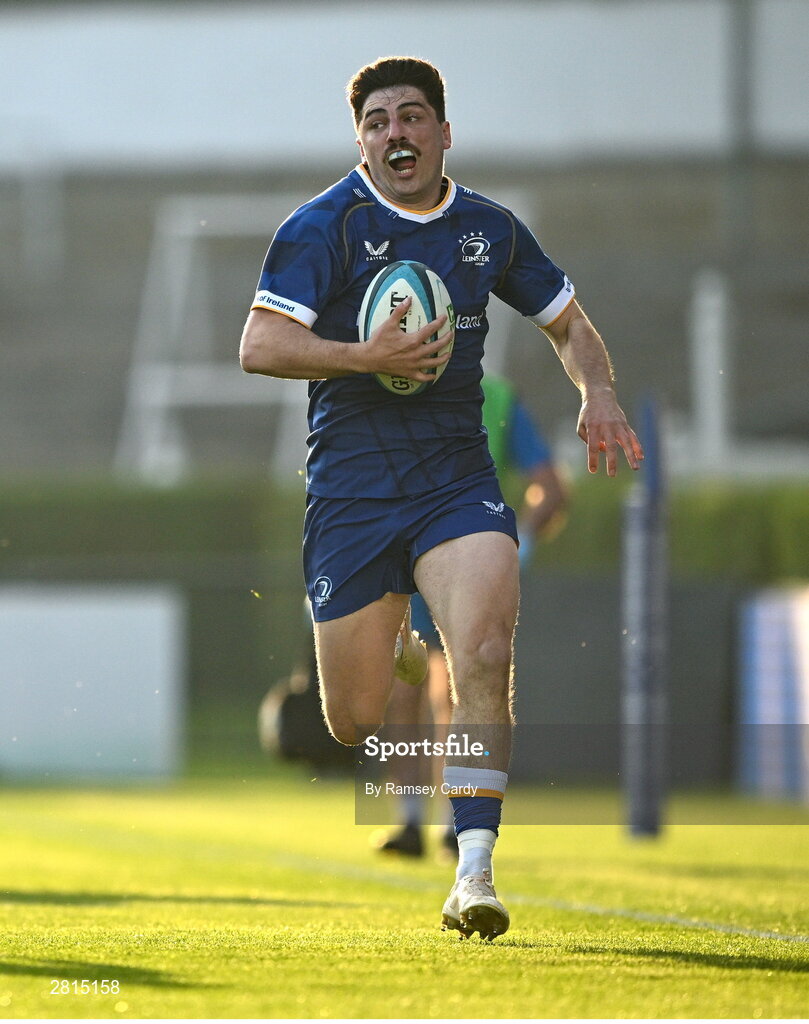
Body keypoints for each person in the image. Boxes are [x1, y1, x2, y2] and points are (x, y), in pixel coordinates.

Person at [239, 56, 643, 941]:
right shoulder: (322, 226)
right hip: (350, 495)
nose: (397, 134)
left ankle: (473, 871)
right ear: (362, 140)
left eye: (413, 117)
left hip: (457, 483)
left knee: (487, 653)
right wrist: (363, 358)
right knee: (352, 719)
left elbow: (568, 323)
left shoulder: (487, 229)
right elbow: (260, 343)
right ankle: (408, 652)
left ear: (443, 132)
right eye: (378, 121)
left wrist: (597, 391)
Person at [377, 373, 568, 859]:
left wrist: (515, 545)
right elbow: (550, 490)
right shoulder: (495, 393)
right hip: (446, 557)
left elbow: (549, 488)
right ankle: (432, 823)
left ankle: (430, 823)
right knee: (432, 693)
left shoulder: (496, 397)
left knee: (433, 692)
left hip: (427, 557)